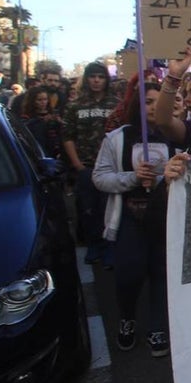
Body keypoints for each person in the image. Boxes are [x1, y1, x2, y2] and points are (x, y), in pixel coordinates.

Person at [92, 81, 178, 356]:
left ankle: (157, 327)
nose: (154, 107)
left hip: (164, 218)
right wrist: (132, 178)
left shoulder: (173, 136)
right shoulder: (116, 139)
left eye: (158, 101)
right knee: (129, 274)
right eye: (148, 101)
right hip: (129, 219)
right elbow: (99, 177)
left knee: (161, 274)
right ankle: (127, 318)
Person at [62, 62, 118, 266]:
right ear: (86, 79)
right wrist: (78, 166)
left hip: (112, 169)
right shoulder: (75, 105)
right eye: (92, 76)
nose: (96, 80)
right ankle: (93, 246)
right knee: (88, 210)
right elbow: (68, 137)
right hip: (86, 166)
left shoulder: (116, 104)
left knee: (110, 209)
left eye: (100, 77)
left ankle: (109, 248)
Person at [20, 85, 63, 158]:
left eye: (45, 99)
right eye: (39, 100)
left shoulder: (53, 113)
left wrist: (59, 122)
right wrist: (41, 121)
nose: (43, 102)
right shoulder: (27, 116)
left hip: (55, 148)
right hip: (39, 150)